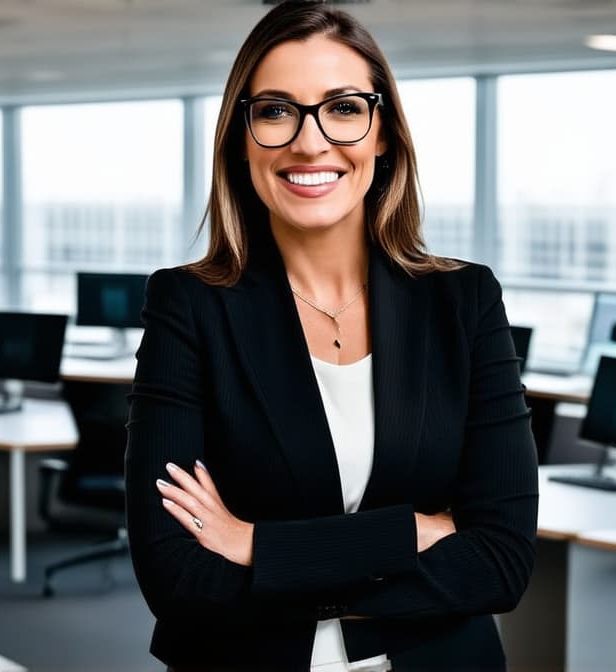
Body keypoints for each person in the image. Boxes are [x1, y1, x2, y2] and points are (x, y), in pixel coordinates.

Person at [124, 1, 539, 670]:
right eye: (276, 110)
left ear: (383, 134)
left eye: (343, 108)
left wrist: (261, 547)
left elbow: (501, 562)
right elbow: (176, 579)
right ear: (242, 137)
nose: (310, 142)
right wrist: (407, 532)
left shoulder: (462, 302)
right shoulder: (191, 306)